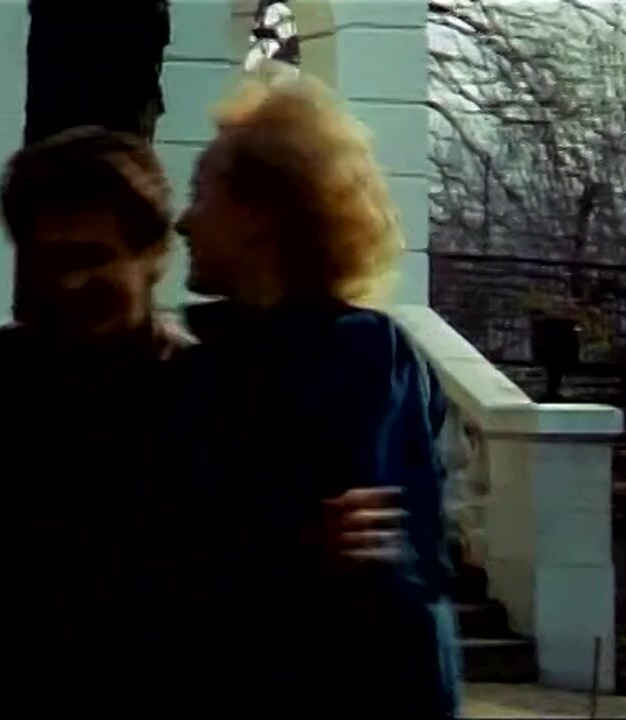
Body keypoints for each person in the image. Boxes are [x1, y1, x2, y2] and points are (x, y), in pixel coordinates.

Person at [0, 126, 406, 718]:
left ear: (154, 253)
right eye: (49, 260)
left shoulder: (224, 388)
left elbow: (281, 547)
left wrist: (333, 542)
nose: (68, 283)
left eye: (92, 258)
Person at [168, 72, 462, 719]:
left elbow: (370, 562)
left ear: (263, 214)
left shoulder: (360, 357)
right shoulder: (197, 363)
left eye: (201, 193)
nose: (183, 221)